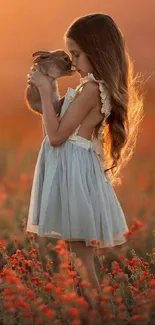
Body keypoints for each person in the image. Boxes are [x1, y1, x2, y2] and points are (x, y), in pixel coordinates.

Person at [26, 13, 143, 297]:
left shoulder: (91, 89)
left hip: (74, 177)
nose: (73, 62)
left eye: (77, 55)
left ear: (97, 51)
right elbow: (44, 111)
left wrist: (44, 88)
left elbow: (55, 136)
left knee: (81, 262)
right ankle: (89, 311)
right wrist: (45, 83)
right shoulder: (84, 88)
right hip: (70, 172)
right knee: (76, 259)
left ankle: (98, 313)